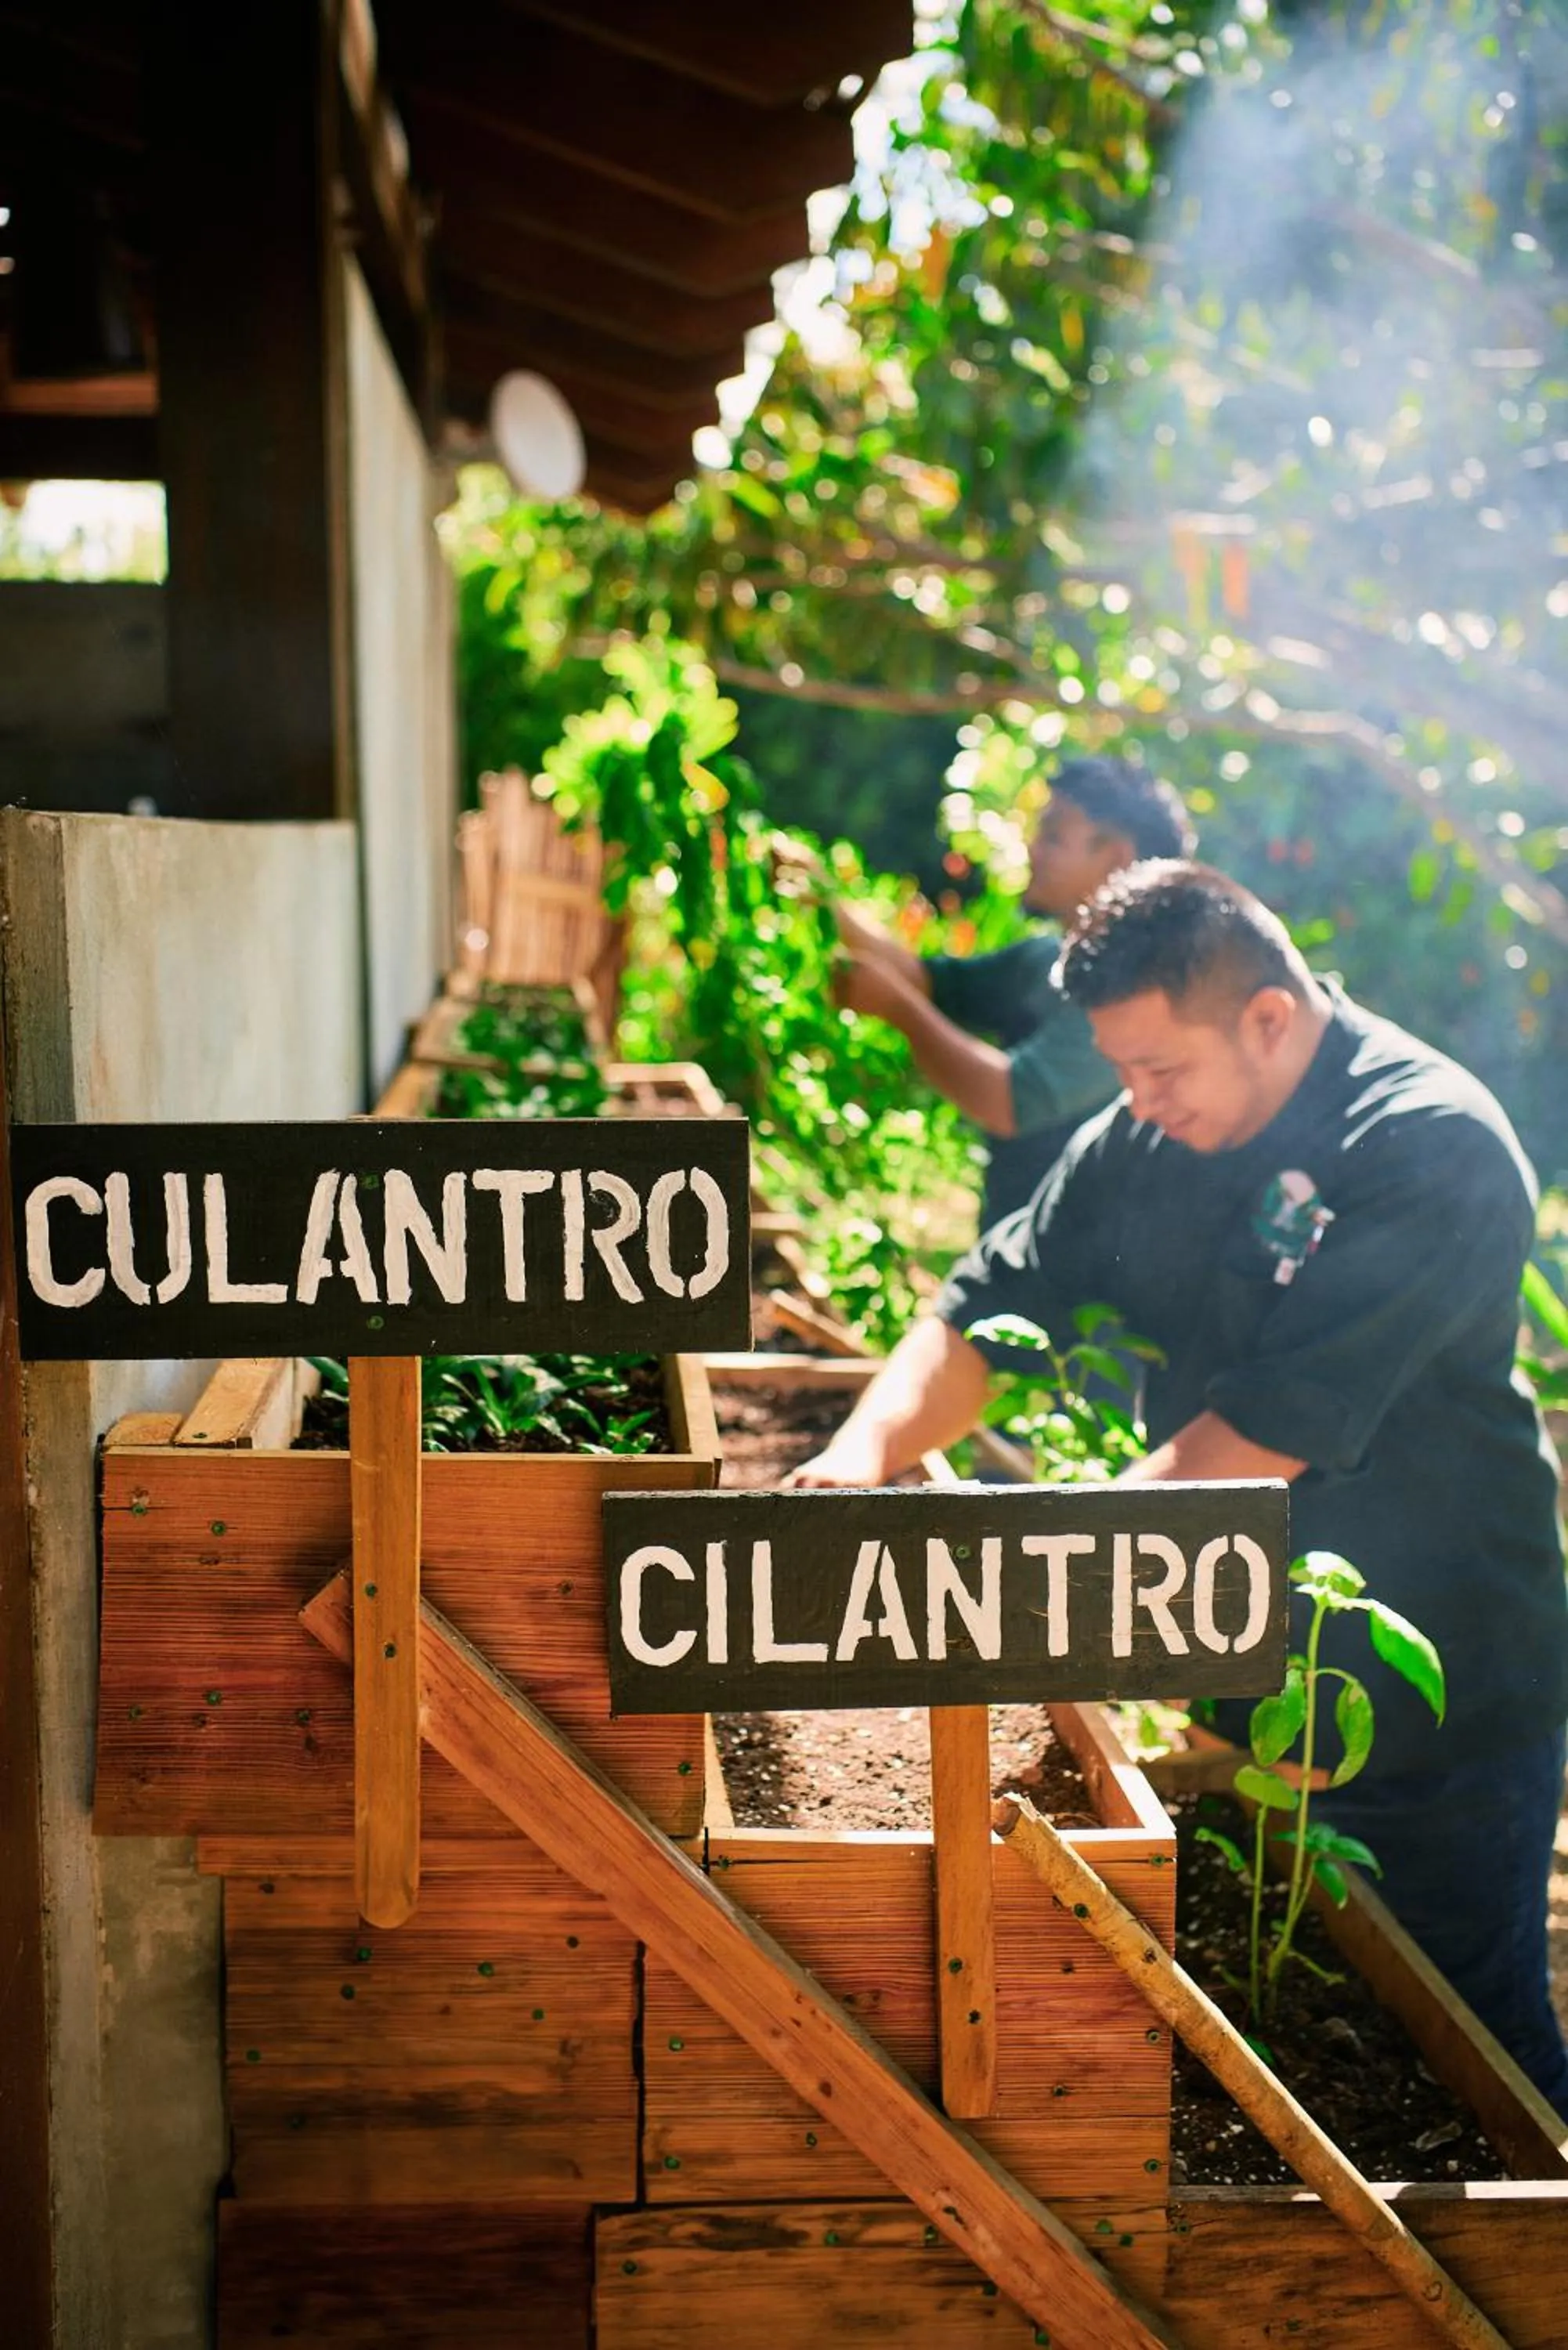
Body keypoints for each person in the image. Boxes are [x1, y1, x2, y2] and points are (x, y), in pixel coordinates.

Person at [792, 860, 1568, 2113]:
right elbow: (999, 1297)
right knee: (1283, 2047)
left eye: (1159, 1070)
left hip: (1436, 1703)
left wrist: (1004, 1588)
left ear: (1267, 1019)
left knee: (1471, 2063)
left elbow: (1247, 1446)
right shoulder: (1153, 1124)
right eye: (1121, 1073)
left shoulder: (1429, 1145)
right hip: (1243, 1675)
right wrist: (859, 1456)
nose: (1135, 1105)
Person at [829, 756, 1194, 1225]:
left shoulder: (1134, 990)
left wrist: (898, 1010)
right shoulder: (1043, 960)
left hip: (1078, 1265)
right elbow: (926, 978)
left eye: (1054, 836)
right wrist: (826, 903)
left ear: (1117, 857)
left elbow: (1010, 1102)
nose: (1032, 849)